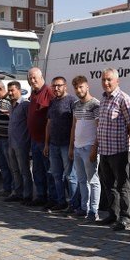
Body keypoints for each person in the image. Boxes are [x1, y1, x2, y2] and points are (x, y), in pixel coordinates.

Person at [97, 68, 130, 230]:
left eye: (109, 80)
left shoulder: (123, 99)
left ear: (117, 81)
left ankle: (125, 218)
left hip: (119, 150)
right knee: (109, 185)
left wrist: (127, 137)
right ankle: (113, 215)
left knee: (122, 185)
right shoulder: (104, 98)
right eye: (104, 80)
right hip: (105, 150)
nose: (106, 83)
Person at [68, 75, 101, 221]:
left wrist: (95, 148)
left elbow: (99, 128)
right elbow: (74, 126)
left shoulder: (95, 104)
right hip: (77, 147)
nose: (78, 90)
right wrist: (71, 147)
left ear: (87, 86)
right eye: (76, 87)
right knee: (81, 179)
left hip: (89, 147)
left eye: (81, 86)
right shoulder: (75, 105)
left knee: (93, 180)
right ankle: (83, 208)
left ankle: (94, 211)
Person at [44, 76, 78, 212]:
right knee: (56, 175)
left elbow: (74, 126)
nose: (56, 88)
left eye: (59, 85)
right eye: (54, 86)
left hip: (66, 145)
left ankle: (74, 204)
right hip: (53, 145)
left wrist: (71, 146)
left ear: (65, 86)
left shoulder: (72, 101)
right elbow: (49, 123)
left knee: (71, 176)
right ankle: (61, 201)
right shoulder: (52, 102)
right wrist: (46, 144)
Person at [27, 68, 56, 207]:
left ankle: (52, 198)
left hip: (46, 141)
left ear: (41, 76)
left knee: (49, 171)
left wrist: (47, 141)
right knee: (37, 170)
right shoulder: (33, 93)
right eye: (30, 78)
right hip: (35, 139)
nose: (32, 81)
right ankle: (40, 196)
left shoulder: (49, 92)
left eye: (34, 78)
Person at [6, 81, 33, 203]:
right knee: (15, 170)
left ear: (19, 90)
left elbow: (30, 124)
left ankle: (27, 194)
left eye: (13, 90)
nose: (10, 93)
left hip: (22, 143)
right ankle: (18, 192)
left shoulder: (25, 105)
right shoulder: (11, 105)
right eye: (9, 90)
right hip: (11, 143)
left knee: (24, 171)